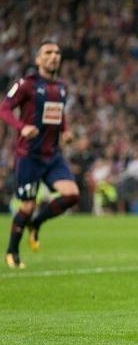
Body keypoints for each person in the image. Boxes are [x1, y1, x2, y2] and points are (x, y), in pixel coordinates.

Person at [0, 40, 79, 269]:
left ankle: (36, 224)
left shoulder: (62, 87)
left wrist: (66, 132)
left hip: (53, 156)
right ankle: (12, 251)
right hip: (29, 155)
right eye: (48, 52)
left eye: (57, 52)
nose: (54, 56)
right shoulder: (27, 84)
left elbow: (58, 114)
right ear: (38, 59)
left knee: (72, 194)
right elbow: (4, 108)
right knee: (26, 206)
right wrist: (20, 127)